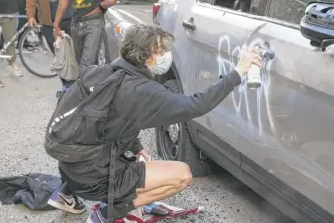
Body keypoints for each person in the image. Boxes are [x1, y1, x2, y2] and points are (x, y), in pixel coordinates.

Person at [47, 24, 263, 222]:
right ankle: (105, 215)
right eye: (160, 51)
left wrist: (137, 148)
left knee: (122, 152)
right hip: (93, 178)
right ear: (146, 56)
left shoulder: (102, 72)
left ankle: (65, 195)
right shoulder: (143, 90)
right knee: (182, 175)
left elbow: (109, 121)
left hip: (69, 169)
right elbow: (196, 105)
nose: (165, 55)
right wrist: (239, 71)